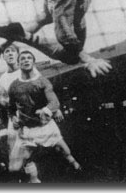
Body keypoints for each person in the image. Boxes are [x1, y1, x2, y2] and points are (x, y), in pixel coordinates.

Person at [8, 50, 81, 183]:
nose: (26, 60)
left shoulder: (43, 81)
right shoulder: (13, 86)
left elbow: (54, 102)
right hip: (28, 128)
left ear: (33, 62)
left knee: (65, 151)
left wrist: (46, 109)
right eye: (22, 58)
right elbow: (11, 107)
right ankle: (34, 180)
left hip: (45, 125)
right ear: (18, 63)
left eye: (29, 58)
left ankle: (75, 164)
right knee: (26, 158)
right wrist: (13, 117)